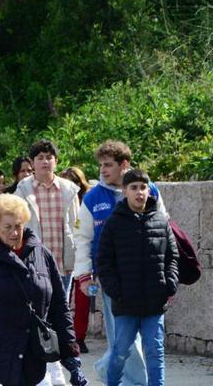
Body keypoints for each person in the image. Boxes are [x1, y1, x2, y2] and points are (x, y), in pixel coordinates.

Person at [0, 194, 87, 386]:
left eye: (18, 226)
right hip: (0, 346)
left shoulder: (42, 254)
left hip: (34, 347)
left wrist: (69, 347)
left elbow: (59, 305)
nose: (14, 232)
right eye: (8, 227)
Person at [73, 141, 168, 385]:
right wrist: (84, 275)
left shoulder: (149, 190)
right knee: (124, 338)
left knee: (136, 341)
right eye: (101, 165)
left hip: (147, 278)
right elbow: (83, 238)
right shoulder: (93, 198)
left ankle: (107, 369)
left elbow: (164, 228)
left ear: (124, 164)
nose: (103, 170)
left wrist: (168, 276)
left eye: (109, 165)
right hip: (112, 279)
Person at [97, 169, 178, 386]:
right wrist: (116, 291)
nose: (139, 192)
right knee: (121, 352)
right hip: (126, 303)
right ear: (124, 191)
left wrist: (169, 284)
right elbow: (104, 262)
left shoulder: (161, 220)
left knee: (155, 351)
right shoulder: (113, 224)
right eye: (133, 188)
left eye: (143, 187)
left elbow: (172, 255)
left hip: (155, 301)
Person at [13, 139, 79, 385]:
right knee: (40, 318)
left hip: (63, 263)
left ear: (56, 161)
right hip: (35, 264)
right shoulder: (23, 190)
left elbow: (76, 227)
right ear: (33, 163)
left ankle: (59, 366)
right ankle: (50, 372)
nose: (44, 161)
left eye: (48, 157)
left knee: (60, 317)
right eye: (39, 157)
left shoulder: (69, 189)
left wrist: (78, 259)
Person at [58, 167, 92, 353]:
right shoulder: (60, 200)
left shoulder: (88, 200)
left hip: (83, 256)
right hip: (64, 254)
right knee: (62, 297)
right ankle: (64, 334)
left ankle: (79, 336)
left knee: (82, 298)